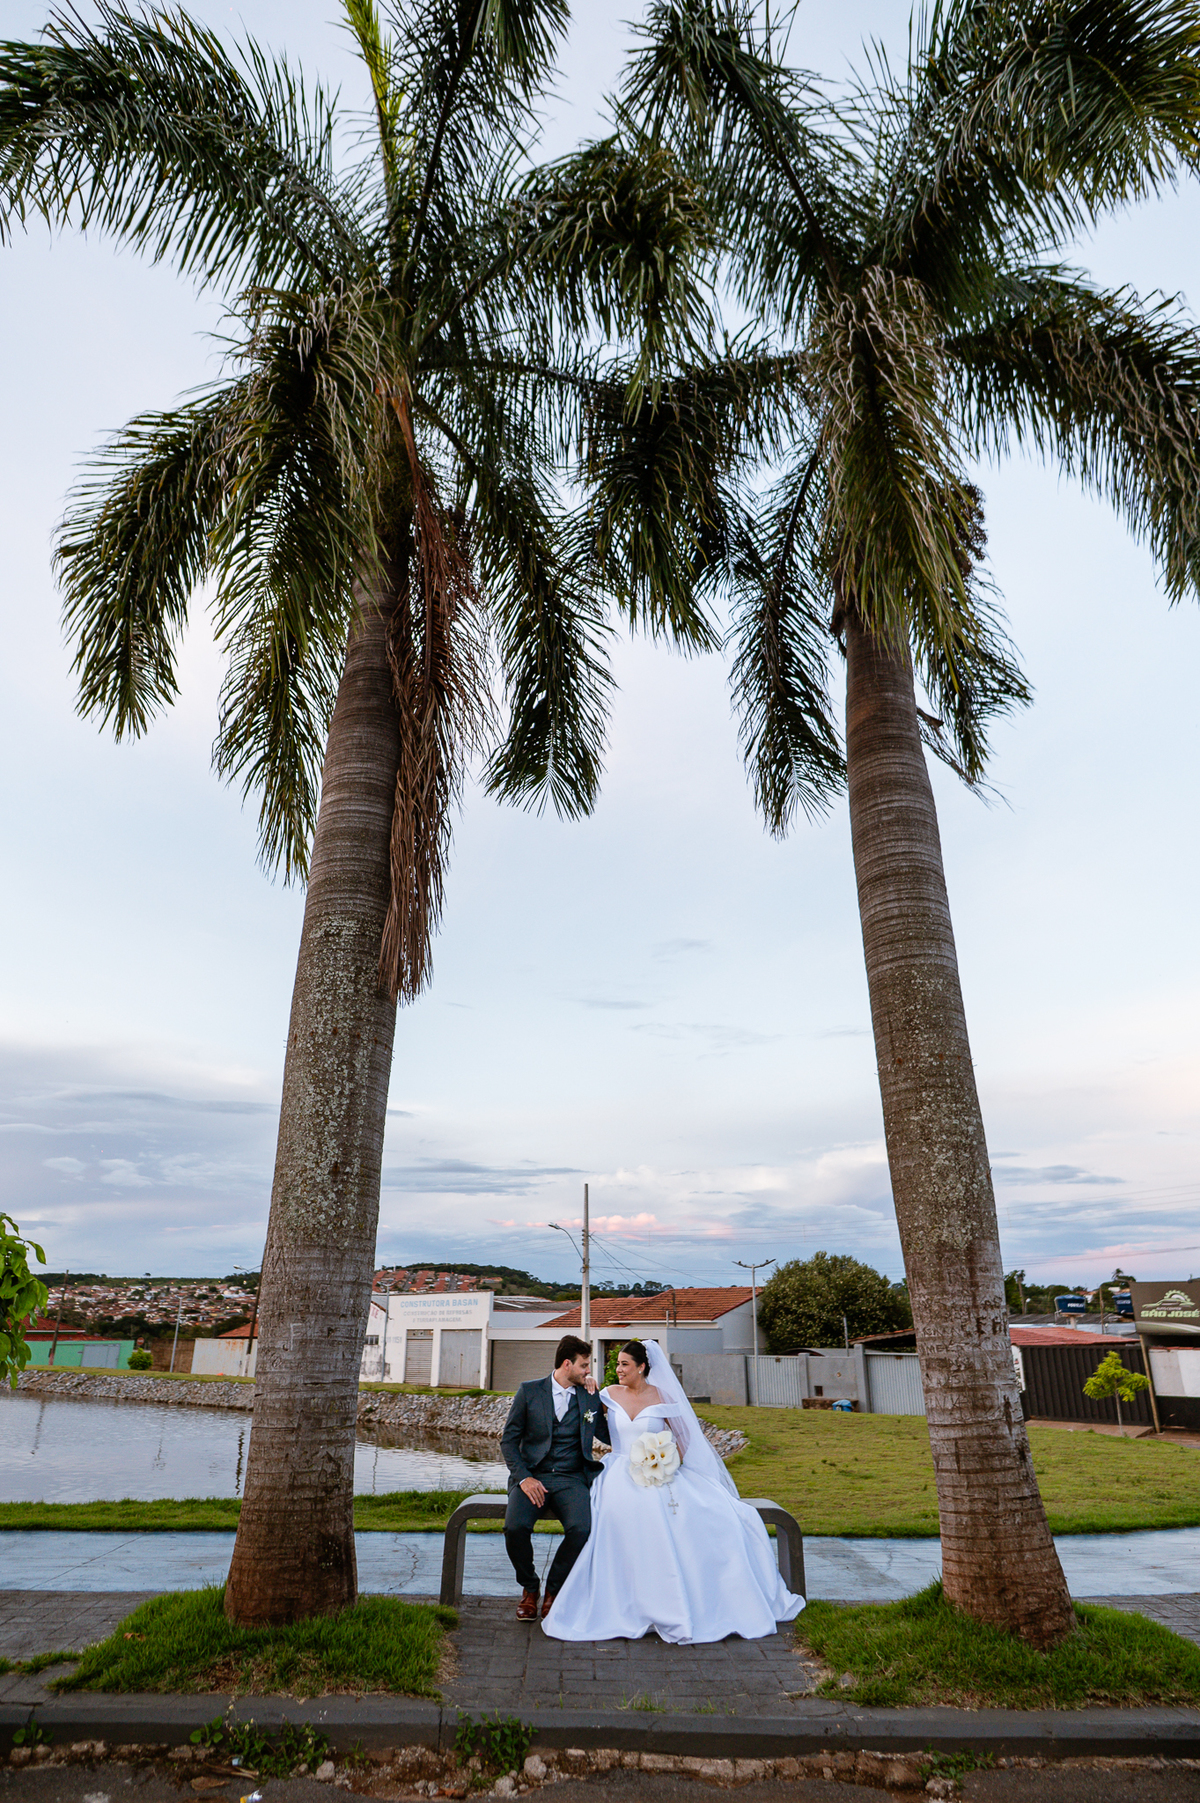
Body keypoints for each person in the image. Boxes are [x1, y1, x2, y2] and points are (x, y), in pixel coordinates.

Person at [542, 1339, 804, 1644]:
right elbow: (586, 1417)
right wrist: (587, 1384)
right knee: (618, 1515)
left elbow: (684, 1437)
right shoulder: (607, 1394)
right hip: (618, 1472)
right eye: (617, 1364)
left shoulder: (663, 1396)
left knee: (712, 1517)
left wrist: (666, 1463)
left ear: (642, 1367)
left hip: (659, 1473)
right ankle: (625, 1600)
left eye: (625, 1364)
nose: (618, 1370)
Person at [500, 1333, 608, 1621]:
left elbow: (607, 1434)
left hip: (571, 1477)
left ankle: (554, 1590)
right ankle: (529, 1588)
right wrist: (524, 1478)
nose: (588, 1371)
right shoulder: (529, 1391)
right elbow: (508, 1441)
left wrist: (617, 1408)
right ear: (567, 1364)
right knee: (515, 1528)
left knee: (581, 1529)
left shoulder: (589, 1395)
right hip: (532, 1476)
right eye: (584, 1365)